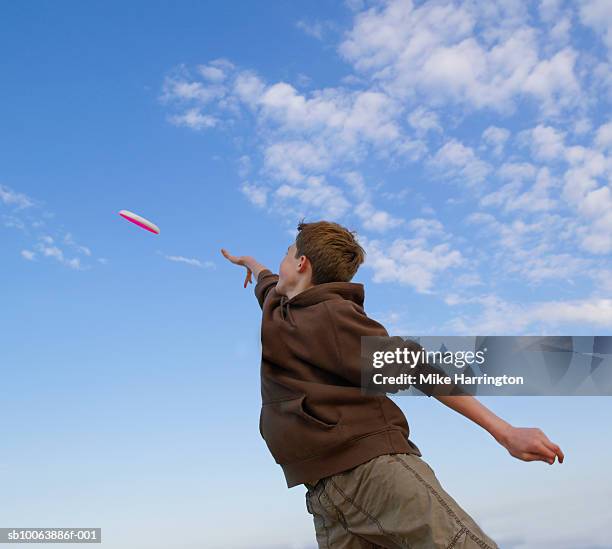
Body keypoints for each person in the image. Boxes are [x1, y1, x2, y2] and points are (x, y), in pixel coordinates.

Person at [221, 219, 564, 549]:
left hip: (372, 471)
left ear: (301, 264)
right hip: (325, 492)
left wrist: (504, 431)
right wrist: (246, 262)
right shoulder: (276, 307)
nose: (278, 264)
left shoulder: (334, 316)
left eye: (286, 253)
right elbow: (266, 279)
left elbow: (417, 369)